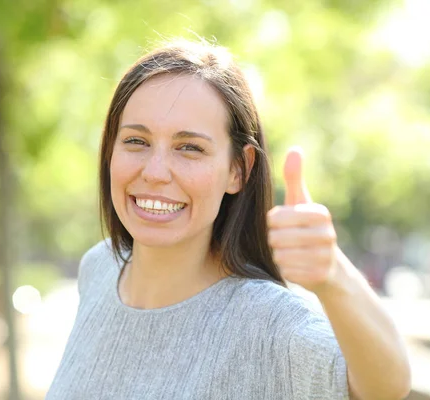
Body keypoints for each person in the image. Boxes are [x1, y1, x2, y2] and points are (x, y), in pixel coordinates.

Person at [46, 40, 411, 400]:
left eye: (190, 147)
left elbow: (385, 388)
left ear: (238, 170)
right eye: (136, 141)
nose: (155, 172)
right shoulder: (99, 268)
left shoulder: (268, 325)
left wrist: (333, 276)